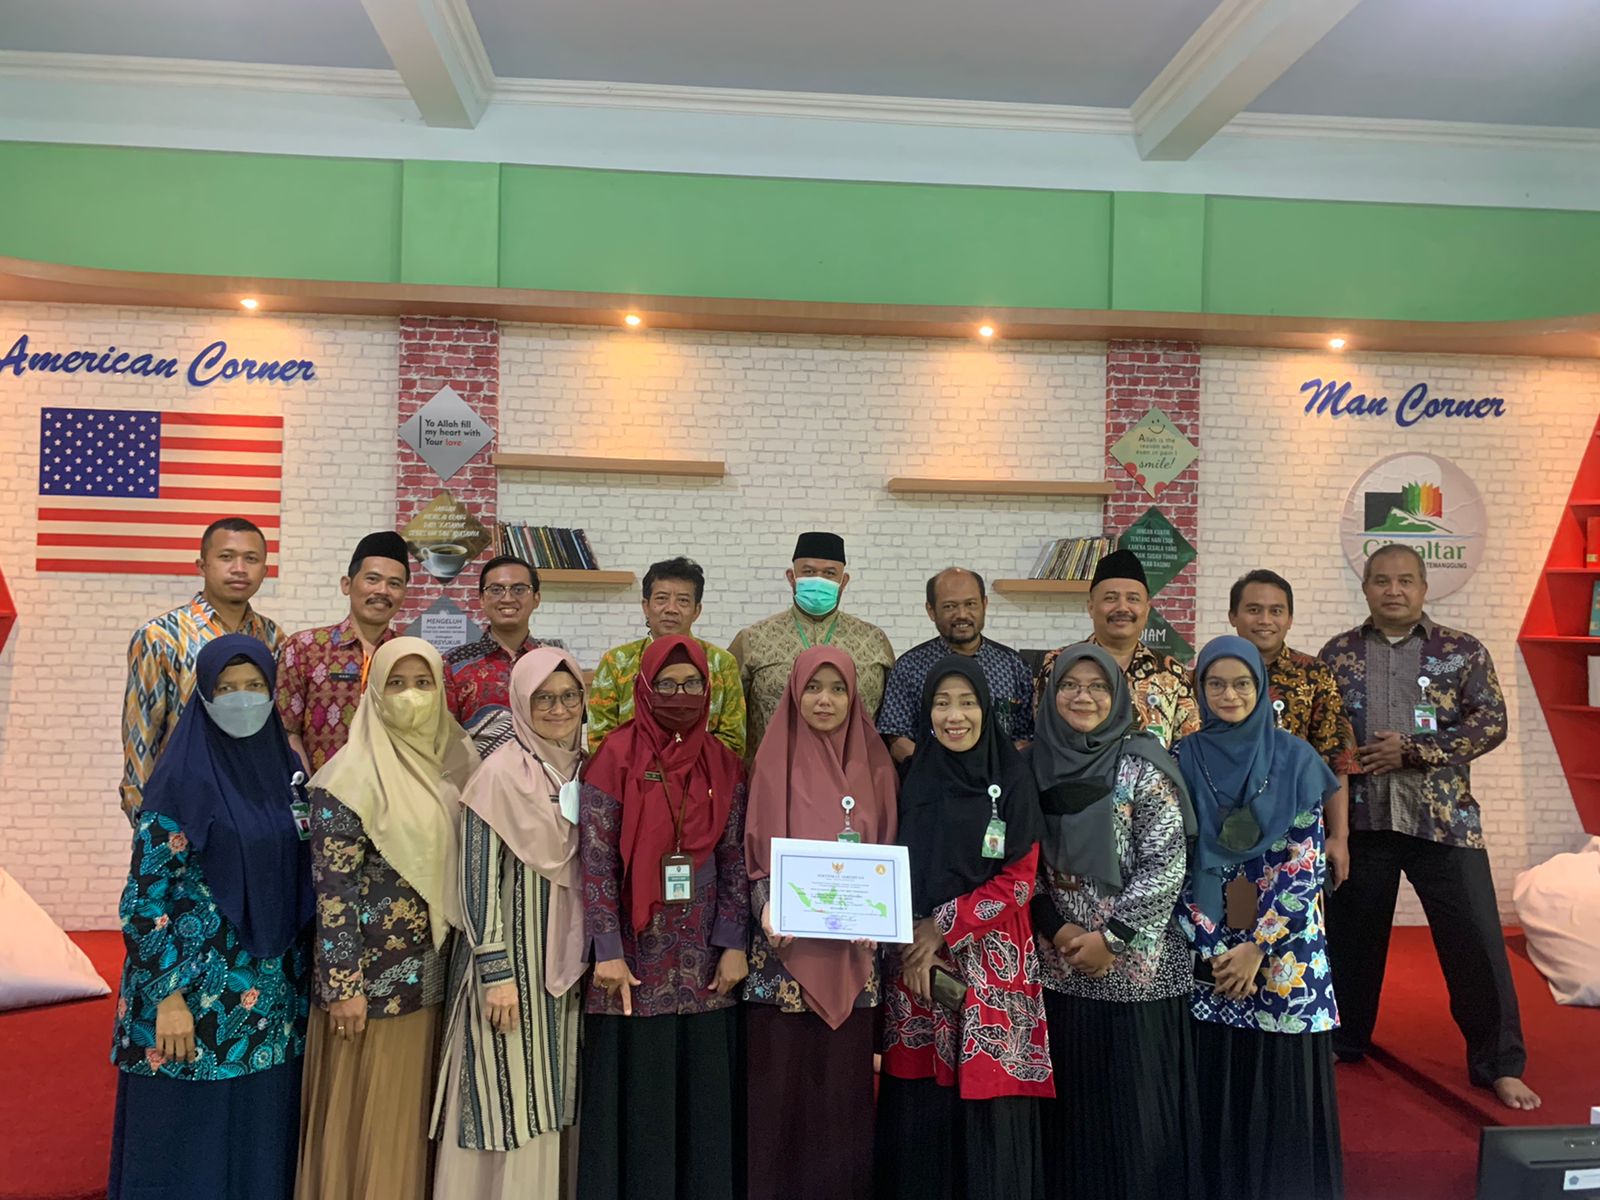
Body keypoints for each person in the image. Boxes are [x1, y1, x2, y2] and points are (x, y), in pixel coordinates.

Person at [1318, 544, 1538, 1110]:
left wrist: (1415, 750)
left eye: (1405, 580)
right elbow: (1323, 734)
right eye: (1381, 580)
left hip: (1444, 823)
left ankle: (1499, 1064)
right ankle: (1342, 1041)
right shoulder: (1337, 655)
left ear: (1423, 587)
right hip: (1362, 821)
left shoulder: (1462, 651)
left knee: (1477, 943)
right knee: (1350, 941)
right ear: (1365, 587)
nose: (1393, 590)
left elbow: (1491, 722)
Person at [108, 634, 313, 1200]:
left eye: (255, 686)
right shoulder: (180, 781)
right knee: (187, 1145)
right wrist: (167, 997)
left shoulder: (285, 772)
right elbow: (144, 899)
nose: (242, 699)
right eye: (226, 688)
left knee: (255, 1138)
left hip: (268, 1000)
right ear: (203, 695)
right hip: (192, 997)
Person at [297, 638, 479, 1200]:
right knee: (368, 1124)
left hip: (431, 981)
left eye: (423, 684)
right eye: (396, 684)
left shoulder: (454, 766)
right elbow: (333, 894)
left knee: (411, 1121)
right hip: (368, 993)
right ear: (374, 693)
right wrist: (344, 987)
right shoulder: (345, 778)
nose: (411, 697)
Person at [577, 636, 750, 1200]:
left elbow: (735, 860)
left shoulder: (723, 763)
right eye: (668, 684)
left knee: (703, 1105)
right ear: (645, 688)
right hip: (632, 964)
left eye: (692, 683)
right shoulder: (615, 756)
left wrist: (733, 943)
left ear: (709, 688)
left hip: (705, 965)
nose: (681, 695)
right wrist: (607, 949)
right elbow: (596, 860)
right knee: (640, 1104)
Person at [877, 657, 1051, 1200]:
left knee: (989, 1102)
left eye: (967, 702)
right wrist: (914, 938)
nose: (955, 716)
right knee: (920, 1102)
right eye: (942, 703)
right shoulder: (913, 776)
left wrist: (943, 927)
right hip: (916, 961)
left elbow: (1020, 880)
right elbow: (892, 865)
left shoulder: (1013, 776)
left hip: (992, 961)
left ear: (986, 707)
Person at [1175, 637, 1343, 1200]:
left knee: (1277, 1076)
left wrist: (1257, 946)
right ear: (1200, 690)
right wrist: (1214, 946)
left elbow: (1304, 861)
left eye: (1242, 683)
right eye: (1216, 684)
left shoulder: (1295, 758)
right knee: (1218, 1072)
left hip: (1285, 945)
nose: (1230, 694)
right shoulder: (1183, 756)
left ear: (1261, 687)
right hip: (1210, 943)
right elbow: (1177, 855)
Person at [1029, 644, 1198, 1200]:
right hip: (1060, 964)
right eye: (1069, 686)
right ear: (1051, 695)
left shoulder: (1143, 765)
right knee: (1075, 1114)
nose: (1083, 697)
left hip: (1135, 971)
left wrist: (1113, 939)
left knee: (1133, 1114)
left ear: (1118, 695)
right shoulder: (1033, 765)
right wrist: (1058, 930)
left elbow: (1166, 864)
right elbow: (1023, 864)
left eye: (1097, 686)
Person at [743, 647, 899, 1200]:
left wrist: (881, 911)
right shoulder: (772, 759)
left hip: (855, 955)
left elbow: (888, 853)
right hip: (781, 955)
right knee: (779, 1098)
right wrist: (766, 905)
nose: (825, 700)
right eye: (813, 688)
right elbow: (753, 855)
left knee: (840, 1102)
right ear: (794, 692)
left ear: (855, 695)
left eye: (837, 689)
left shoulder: (877, 764)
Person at [431, 648, 587, 1199]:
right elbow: (474, 879)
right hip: (509, 968)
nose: (558, 709)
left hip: (564, 967)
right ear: (521, 702)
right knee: (502, 1090)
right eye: (543, 699)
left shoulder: (585, 769)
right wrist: (495, 972)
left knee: (549, 1090)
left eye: (568, 696)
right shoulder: (497, 774)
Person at [122, 517, 282, 820]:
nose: (239, 568)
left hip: (255, 803)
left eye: (251, 559)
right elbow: (142, 733)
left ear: (265, 570)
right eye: (226, 557)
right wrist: (146, 818)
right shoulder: (161, 637)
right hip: (183, 802)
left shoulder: (273, 638)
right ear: (202, 565)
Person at [1228, 569, 1357, 889]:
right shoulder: (1211, 672)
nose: (1265, 620)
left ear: (1290, 619)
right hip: (1222, 825)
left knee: (1289, 913)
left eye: (1276, 611)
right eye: (1253, 609)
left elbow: (1336, 757)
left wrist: (1339, 836)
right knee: (1225, 914)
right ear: (1233, 616)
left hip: (1296, 827)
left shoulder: (1314, 675)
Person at [730, 532, 895, 754]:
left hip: (854, 767)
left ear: (843, 581)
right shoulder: (753, 639)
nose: (818, 580)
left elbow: (891, 721)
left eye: (829, 573)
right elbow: (728, 716)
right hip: (775, 768)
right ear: (792, 577)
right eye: (808, 572)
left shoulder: (873, 641)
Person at [1034, 548, 1198, 749]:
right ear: (1091, 607)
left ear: (1147, 610)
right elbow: (1043, 735)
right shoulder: (1058, 663)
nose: (1122, 608)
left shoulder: (1172, 672)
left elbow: (1187, 746)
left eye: (1133, 599)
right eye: (1110, 598)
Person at [275, 531, 410, 772]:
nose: (383, 590)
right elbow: (288, 730)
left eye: (394, 584)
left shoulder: (410, 656)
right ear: (346, 585)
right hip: (320, 789)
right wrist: (307, 788)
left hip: (392, 790)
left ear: (404, 594)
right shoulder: (304, 648)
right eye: (372, 579)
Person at [587, 556, 746, 755]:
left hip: (703, 772)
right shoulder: (616, 662)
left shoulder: (722, 663)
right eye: (661, 599)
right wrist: (649, 768)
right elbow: (600, 738)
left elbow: (733, 740)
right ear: (646, 606)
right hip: (631, 772)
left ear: (697, 610)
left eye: (683, 601)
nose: (671, 609)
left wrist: (683, 766)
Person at [878, 567, 1035, 762]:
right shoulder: (909, 667)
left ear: (984, 604)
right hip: (931, 775)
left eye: (970, 604)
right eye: (949, 606)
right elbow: (896, 738)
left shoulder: (1014, 666)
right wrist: (938, 770)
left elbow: (1025, 736)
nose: (962, 614)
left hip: (1001, 776)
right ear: (931, 610)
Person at [446, 555, 554, 725]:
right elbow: (444, 733)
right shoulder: (453, 663)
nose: (507, 598)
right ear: (482, 599)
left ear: (536, 598)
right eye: (496, 590)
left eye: (519, 589)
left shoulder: (554, 661)